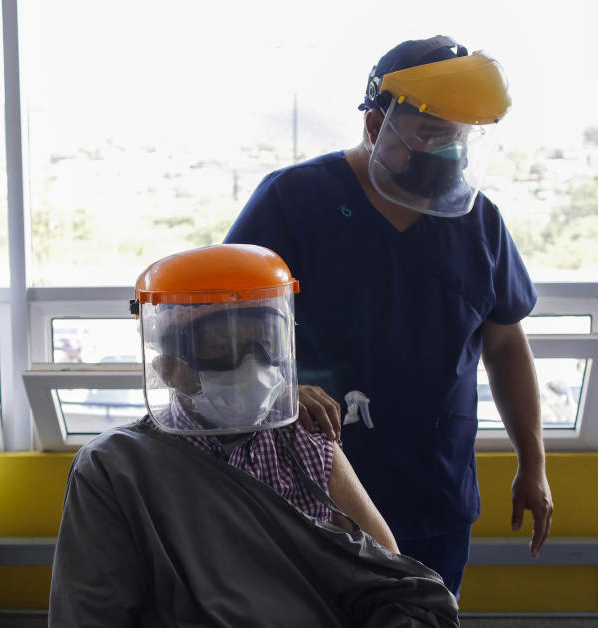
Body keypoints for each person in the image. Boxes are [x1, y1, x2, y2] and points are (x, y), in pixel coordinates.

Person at [225, 36, 553, 595]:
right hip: (314, 489)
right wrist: (281, 388)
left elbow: (504, 347)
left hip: (435, 493)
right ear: (377, 126)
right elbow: (224, 325)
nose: (449, 152)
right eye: (431, 134)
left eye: (459, 135)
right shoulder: (294, 202)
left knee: (424, 612)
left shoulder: (479, 224)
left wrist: (534, 463)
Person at [49, 244, 458, 627]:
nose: (251, 363)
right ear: (168, 369)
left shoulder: (304, 439)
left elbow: (392, 575)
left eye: (266, 340)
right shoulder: (115, 469)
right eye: (218, 344)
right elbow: (90, 616)